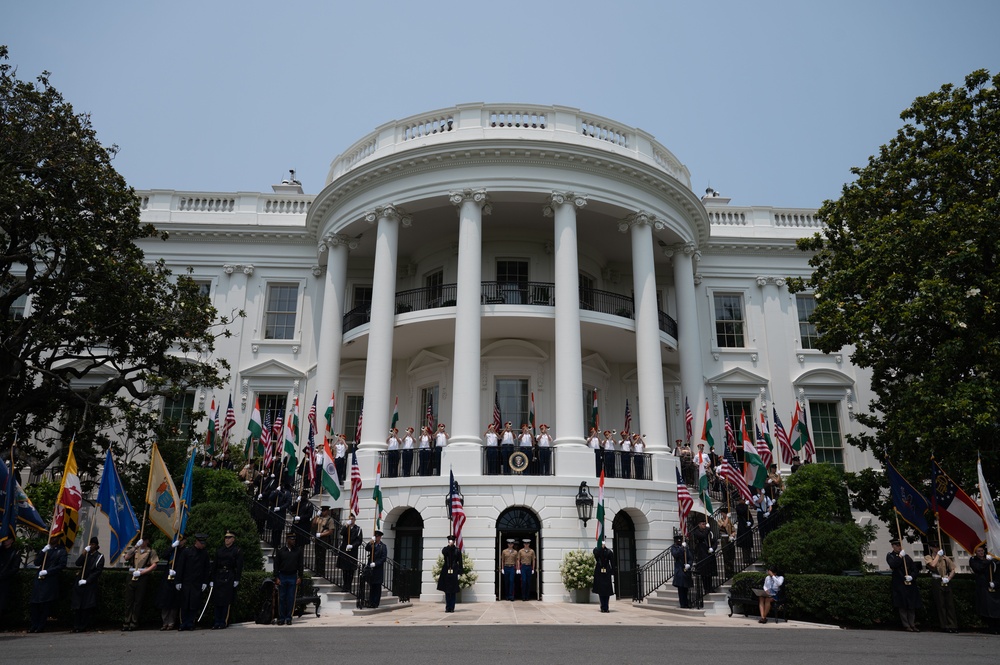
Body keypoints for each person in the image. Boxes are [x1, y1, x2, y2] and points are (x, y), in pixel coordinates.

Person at [29, 535, 66, 633]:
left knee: (44, 605)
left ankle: (40, 626)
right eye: (51, 537)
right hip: (39, 580)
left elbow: (62, 565)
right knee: (34, 604)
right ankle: (34, 625)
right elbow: (37, 562)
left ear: (58, 539)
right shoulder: (46, 550)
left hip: (49, 580)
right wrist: (43, 551)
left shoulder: (61, 551)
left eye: (54, 537)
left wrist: (48, 572)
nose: (52, 539)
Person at [175, 532, 211, 631]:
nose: (203, 545)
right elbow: (180, 566)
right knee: (184, 604)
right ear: (196, 542)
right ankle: (183, 623)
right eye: (201, 543)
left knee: (194, 604)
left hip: (197, 583)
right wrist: (178, 581)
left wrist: (205, 582)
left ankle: (191, 622)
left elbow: (206, 569)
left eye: (204, 543)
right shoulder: (187, 552)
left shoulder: (204, 553)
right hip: (186, 582)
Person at [122, 535, 159, 631]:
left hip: (142, 576)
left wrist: (143, 572)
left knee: (138, 601)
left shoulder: (150, 551)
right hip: (131, 575)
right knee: (128, 600)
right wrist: (135, 547)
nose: (141, 542)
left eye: (143, 540)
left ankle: (134, 622)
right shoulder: (135, 550)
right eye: (140, 540)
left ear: (147, 541)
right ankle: (126, 622)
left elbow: (154, 565)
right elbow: (126, 557)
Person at [886, 538, 922, 632]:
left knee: (911, 605)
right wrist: (900, 557)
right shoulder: (891, 556)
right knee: (902, 605)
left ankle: (912, 624)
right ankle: (906, 625)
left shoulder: (907, 557)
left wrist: (912, 576)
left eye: (900, 545)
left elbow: (915, 569)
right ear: (893, 546)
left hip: (909, 584)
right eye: (897, 545)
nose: (899, 547)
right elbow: (893, 565)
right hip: (899, 584)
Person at [210, 530, 244, 629]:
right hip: (219, 576)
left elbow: (239, 566)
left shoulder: (237, 550)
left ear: (233, 539)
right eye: (226, 538)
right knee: (217, 600)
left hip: (229, 576)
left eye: (229, 538)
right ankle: (216, 621)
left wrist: (237, 579)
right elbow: (215, 565)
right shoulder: (220, 550)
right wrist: (212, 578)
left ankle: (223, 621)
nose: (227, 540)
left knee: (226, 601)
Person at [71, 536, 104, 632]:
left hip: (89, 584)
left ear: (97, 546)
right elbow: (77, 563)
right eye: (90, 544)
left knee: (86, 607)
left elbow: (97, 571)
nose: (91, 546)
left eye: (93, 544)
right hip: (80, 583)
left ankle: (82, 626)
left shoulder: (99, 557)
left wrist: (87, 580)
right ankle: (76, 626)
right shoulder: (87, 554)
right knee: (78, 607)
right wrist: (84, 552)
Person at [923, 544, 958, 633]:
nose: (937, 548)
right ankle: (944, 625)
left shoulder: (945, 558)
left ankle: (953, 625)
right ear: (931, 548)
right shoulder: (928, 557)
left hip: (945, 580)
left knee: (950, 604)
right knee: (941, 604)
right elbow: (933, 565)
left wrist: (949, 578)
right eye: (934, 547)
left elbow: (953, 568)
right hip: (937, 580)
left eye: (938, 547)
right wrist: (938, 555)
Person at [155, 534, 185, 630]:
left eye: (181, 540)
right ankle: (165, 622)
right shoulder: (173, 550)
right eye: (178, 540)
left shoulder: (185, 551)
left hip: (177, 577)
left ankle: (171, 623)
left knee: (174, 602)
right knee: (165, 601)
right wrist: (172, 547)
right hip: (167, 577)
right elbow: (164, 555)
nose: (180, 542)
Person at [273, 531, 303, 625]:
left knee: (290, 598)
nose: (293, 541)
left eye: (294, 539)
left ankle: (289, 617)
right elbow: (276, 565)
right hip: (282, 576)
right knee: (282, 598)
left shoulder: (298, 551)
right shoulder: (281, 551)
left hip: (292, 576)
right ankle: (281, 618)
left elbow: (300, 565)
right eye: (291, 539)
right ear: (287, 540)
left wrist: (300, 576)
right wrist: (276, 577)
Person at [969, 545, 1000, 634]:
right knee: (988, 609)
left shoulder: (993, 560)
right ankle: (992, 627)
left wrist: (995, 583)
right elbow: (978, 568)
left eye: (982, 550)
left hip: (994, 587)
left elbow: (997, 573)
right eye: (979, 551)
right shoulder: (973, 560)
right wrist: (987, 561)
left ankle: (997, 627)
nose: (981, 553)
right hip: (983, 587)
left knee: (996, 609)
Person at [0, 535, 23, 626]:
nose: (5, 541)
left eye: (7, 539)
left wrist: (3, 575)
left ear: (12, 541)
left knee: (2, 604)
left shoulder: (15, 552)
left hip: (5, 581)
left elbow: (14, 568)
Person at [691, 518, 717, 594]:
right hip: (702, 554)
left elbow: (714, 541)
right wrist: (707, 529)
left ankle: (710, 587)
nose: (704, 525)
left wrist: (713, 548)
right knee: (704, 574)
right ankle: (706, 588)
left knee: (710, 573)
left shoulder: (710, 533)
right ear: (699, 525)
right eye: (702, 524)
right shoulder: (697, 532)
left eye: (705, 524)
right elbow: (702, 536)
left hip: (710, 554)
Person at [338, 514, 363, 593]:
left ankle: (349, 586)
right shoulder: (346, 527)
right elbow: (341, 533)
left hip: (352, 551)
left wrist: (352, 546)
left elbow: (359, 540)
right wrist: (346, 526)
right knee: (344, 570)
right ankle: (345, 585)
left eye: (352, 519)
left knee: (350, 570)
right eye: (350, 519)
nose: (351, 520)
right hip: (345, 550)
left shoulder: (358, 529)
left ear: (354, 520)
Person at [437, 534, 462, 612]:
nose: (451, 542)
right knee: (447, 590)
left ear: (454, 541)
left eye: (452, 540)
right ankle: (448, 607)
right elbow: (445, 553)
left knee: (453, 590)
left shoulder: (457, 550)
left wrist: (459, 572)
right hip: (446, 570)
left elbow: (460, 562)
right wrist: (449, 546)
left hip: (454, 570)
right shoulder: (445, 549)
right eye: (450, 540)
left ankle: (452, 607)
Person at [364, 530, 387, 608]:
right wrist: (370, 542)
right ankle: (370, 601)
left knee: (377, 587)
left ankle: (375, 602)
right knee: (371, 586)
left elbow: (383, 558)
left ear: (380, 537)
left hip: (378, 569)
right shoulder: (372, 545)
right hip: (371, 569)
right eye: (375, 536)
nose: (376, 538)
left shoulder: (383, 546)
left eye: (377, 536)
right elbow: (366, 548)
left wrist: (376, 563)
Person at [669, 534, 692, 608]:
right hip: (679, 570)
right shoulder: (674, 548)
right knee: (681, 589)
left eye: (680, 540)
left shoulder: (686, 548)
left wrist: (689, 564)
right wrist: (681, 548)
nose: (679, 541)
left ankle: (687, 603)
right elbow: (675, 555)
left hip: (686, 570)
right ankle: (682, 603)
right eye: (677, 540)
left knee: (686, 589)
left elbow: (690, 557)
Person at [267, 482, 292, 551]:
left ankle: (277, 543)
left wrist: (280, 508)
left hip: (281, 513)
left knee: (279, 529)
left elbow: (288, 503)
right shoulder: (275, 491)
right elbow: (270, 498)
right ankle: (273, 542)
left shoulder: (287, 493)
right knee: (274, 529)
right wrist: (276, 491)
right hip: (274, 512)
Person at [312, 505, 336, 578]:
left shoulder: (330, 519)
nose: (323, 512)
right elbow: (313, 524)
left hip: (324, 539)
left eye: (324, 511)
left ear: (327, 511)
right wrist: (317, 515)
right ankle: (317, 571)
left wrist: (321, 534)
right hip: (318, 538)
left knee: (322, 555)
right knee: (317, 555)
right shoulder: (319, 518)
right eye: (322, 511)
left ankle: (321, 572)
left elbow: (331, 531)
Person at [592, 542, 616, 612]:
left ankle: (606, 607)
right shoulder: (598, 551)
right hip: (599, 572)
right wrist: (600, 548)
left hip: (606, 572)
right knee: (601, 590)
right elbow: (595, 553)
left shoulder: (609, 552)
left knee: (607, 591)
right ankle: (602, 606)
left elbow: (612, 562)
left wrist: (612, 571)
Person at [717, 506, 736, 579]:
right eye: (724, 513)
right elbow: (724, 525)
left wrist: (733, 534)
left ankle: (732, 570)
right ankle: (727, 573)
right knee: (726, 556)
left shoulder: (729, 521)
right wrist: (727, 518)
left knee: (732, 555)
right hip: (724, 539)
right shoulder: (719, 520)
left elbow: (733, 529)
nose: (725, 514)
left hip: (730, 538)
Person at [735, 501, 754, 566]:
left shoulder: (746, 509)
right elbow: (741, 512)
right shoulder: (738, 507)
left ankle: (749, 557)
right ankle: (745, 558)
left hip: (747, 529)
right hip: (742, 528)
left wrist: (750, 523)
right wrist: (746, 506)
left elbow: (751, 518)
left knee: (748, 544)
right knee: (744, 545)